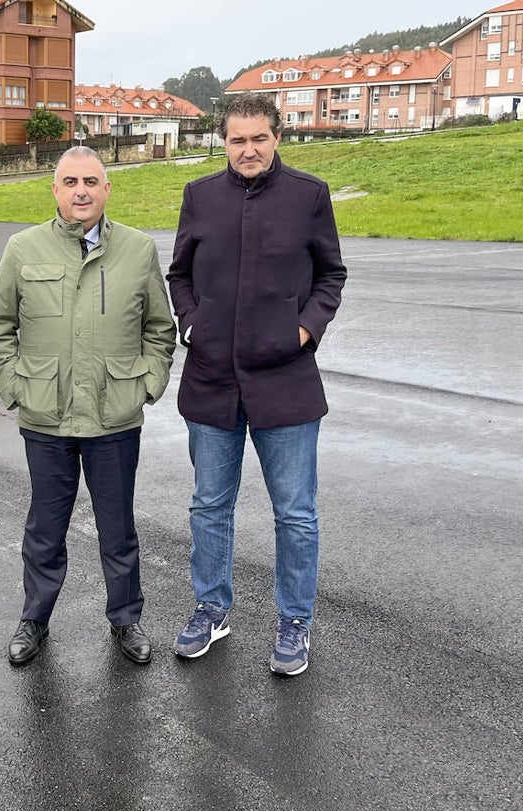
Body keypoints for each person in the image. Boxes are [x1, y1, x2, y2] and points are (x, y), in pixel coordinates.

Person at [167, 93, 347, 676]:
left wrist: (304, 330)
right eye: (237, 140)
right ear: (224, 142)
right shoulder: (199, 197)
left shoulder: (309, 196)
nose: (248, 150)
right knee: (209, 506)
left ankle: (295, 621)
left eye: (258, 138)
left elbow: (331, 274)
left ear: (277, 137)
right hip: (212, 378)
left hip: (286, 381)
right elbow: (179, 273)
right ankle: (210, 609)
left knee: (295, 513)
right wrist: (193, 322)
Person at [0, 146, 176, 666]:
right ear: (55, 190)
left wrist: (146, 386)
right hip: (46, 416)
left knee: (118, 527)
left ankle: (127, 619)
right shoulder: (23, 248)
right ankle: (35, 618)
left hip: (115, 416)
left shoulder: (137, 249)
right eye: (70, 182)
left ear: (108, 189)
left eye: (91, 181)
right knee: (45, 528)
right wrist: (17, 387)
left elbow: (161, 328)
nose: (81, 191)